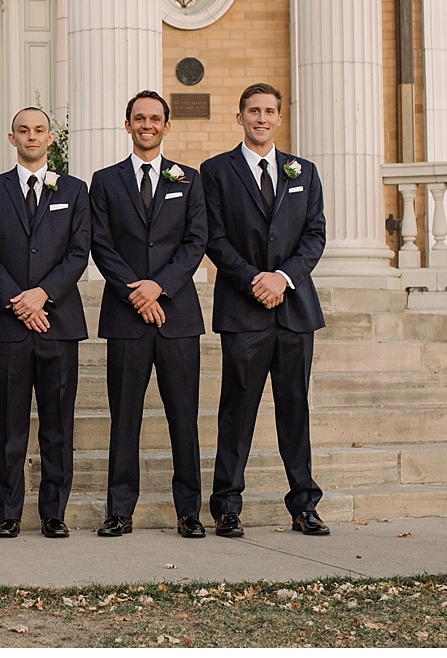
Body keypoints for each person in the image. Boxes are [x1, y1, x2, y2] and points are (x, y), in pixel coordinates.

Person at [200, 83, 330, 538]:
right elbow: (213, 237)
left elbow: (315, 235)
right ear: (240, 118)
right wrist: (255, 279)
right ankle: (227, 506)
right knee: (237, 409)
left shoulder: (304, 172)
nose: (261, 118)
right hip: (243, 309)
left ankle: (304, 505)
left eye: (269, 111)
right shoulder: (215, 171)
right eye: (253, 111)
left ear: (279, 118)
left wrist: (284, 278)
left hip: (295, 309)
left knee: (295, 407)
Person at [89, 90, 209, 540]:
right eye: (139, 118)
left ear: (166, 126)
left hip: (177, 317)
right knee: (125, 417)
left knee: (184, 416)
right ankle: (119, 511)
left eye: (155, 118)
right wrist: (135, 292)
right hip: (125, 317)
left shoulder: (189, 179)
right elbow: (101, 243)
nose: (147, 124)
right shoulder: (105, 180)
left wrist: (160, 287)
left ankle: (189, 512)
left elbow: (196, 241)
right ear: (127, 125)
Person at [0, 107, 90, 539]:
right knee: (9, 424)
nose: (32, 136)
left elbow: (79, 252)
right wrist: (17, 300)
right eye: (23, 130)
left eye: (39, 130)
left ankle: (53, 512)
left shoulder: (75, 190)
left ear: (51, 139)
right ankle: (9, 513)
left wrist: (43, 295)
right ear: (12, 138)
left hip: (58, 322)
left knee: (58, 424)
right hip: (7, 324)